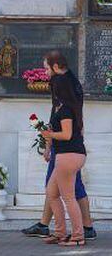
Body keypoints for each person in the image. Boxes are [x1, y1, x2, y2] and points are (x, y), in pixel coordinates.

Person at [21, 51, 96, 240]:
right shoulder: (68, 93)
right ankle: (60, 231)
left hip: (67, 153)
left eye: (47, 69)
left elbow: (67, 132)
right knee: (53, 191)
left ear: (55, 68)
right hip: (66, 151)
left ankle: (80, 233)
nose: (45, 74)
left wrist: (50, 136)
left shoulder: (65, 104)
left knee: (69, 194)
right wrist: (48, 145)